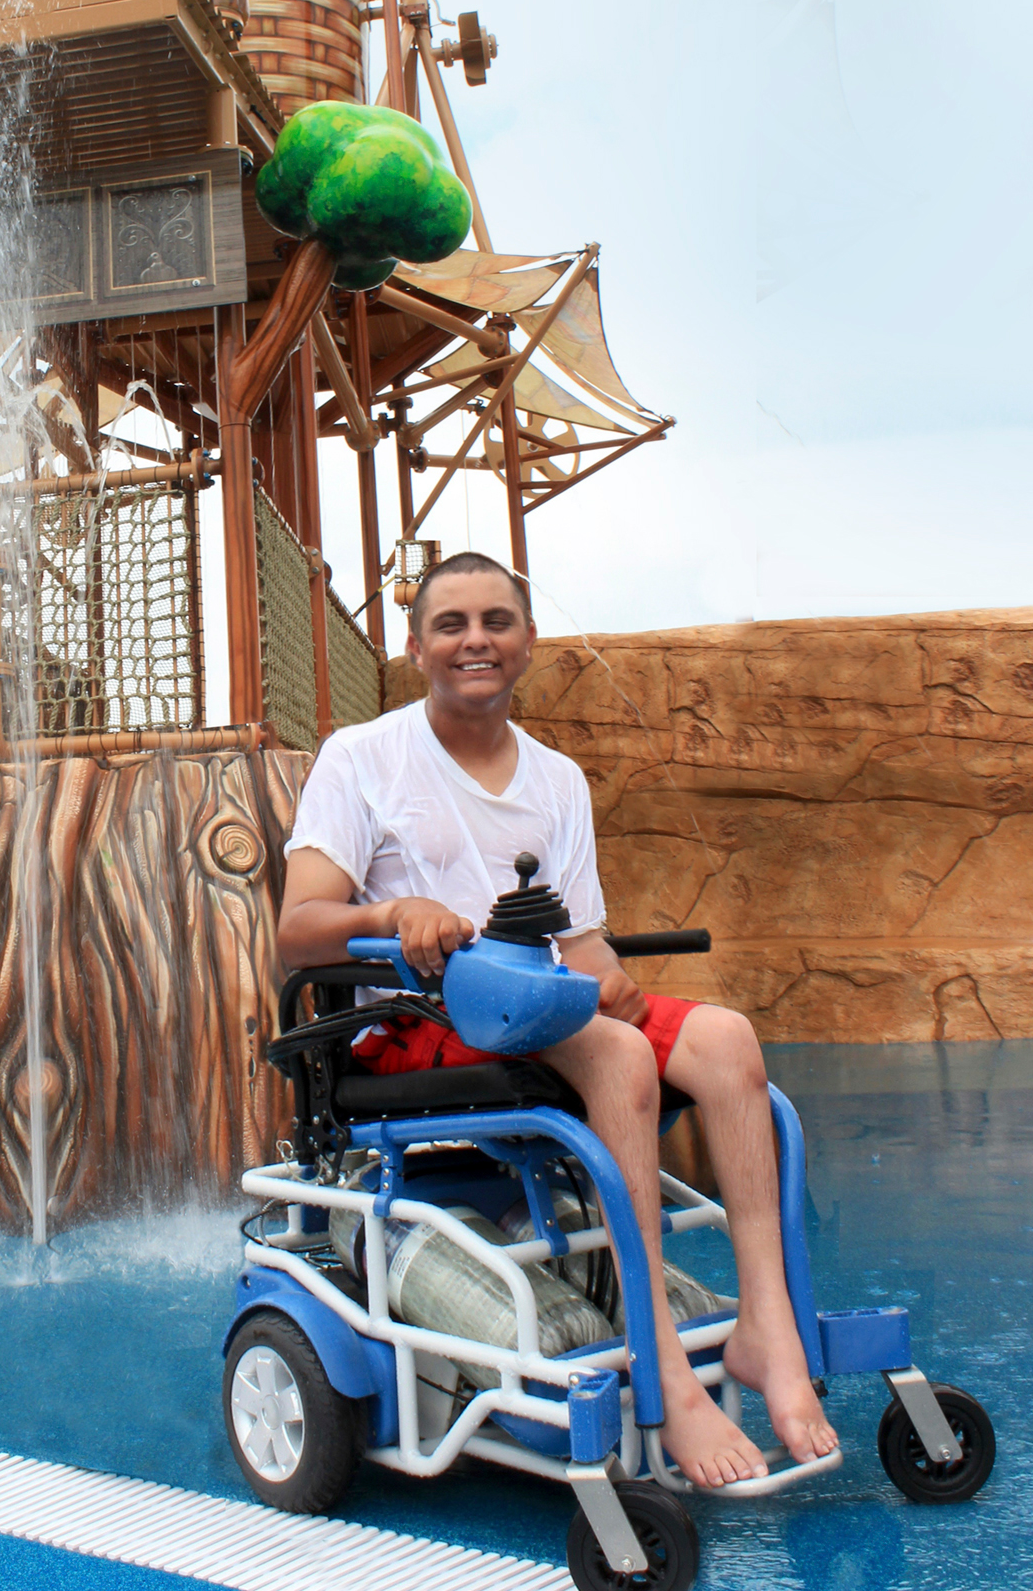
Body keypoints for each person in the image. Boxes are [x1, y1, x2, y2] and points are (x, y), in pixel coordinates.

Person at [278, 551, 838, 1490]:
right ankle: (662, 1366)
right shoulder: (364, 757)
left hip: (543, 1005)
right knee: (617, 1055)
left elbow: (581, 948)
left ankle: (766, 1329)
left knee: (729, 1038)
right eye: (450, 623)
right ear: (416, 647)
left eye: (496, 620)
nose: (475, 640)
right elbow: (300, 930)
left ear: (528, 641)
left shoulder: (557, 780)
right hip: (423, 1015)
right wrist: (392, 912)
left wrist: (610, 977)